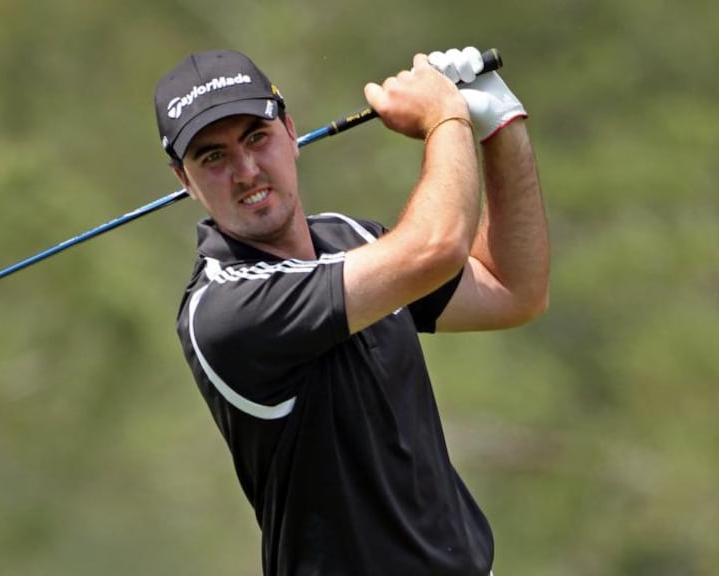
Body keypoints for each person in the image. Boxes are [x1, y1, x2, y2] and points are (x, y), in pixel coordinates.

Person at [154, 47, 549, 576]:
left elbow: (513, 289)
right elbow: (435, 248)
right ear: (184, 179)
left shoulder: (350, 238)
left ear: (290, 132)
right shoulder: (224, 310)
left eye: (256, 137)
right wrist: (445, 118)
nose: (246, 171)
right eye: (213, 157)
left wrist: (499, 126)